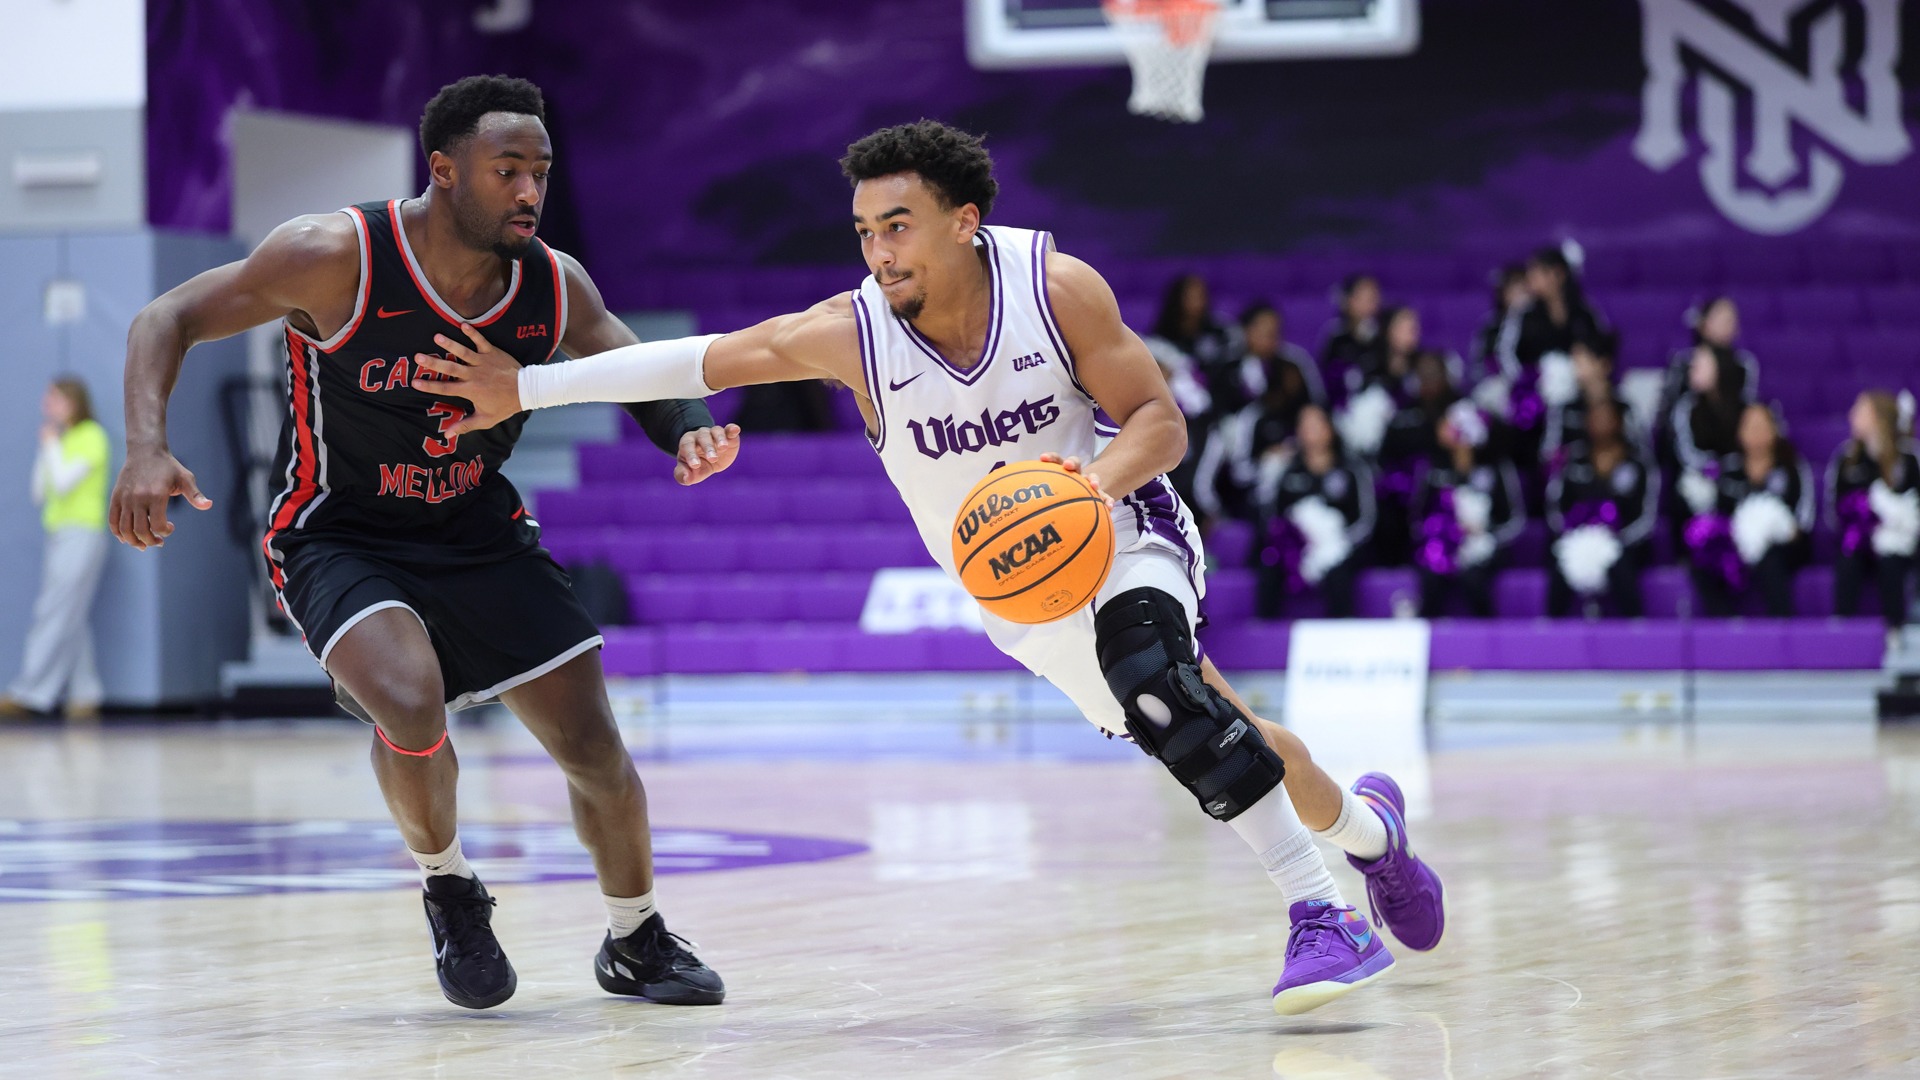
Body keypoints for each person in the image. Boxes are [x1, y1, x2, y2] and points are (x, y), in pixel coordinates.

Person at [418, 120, 1445, 1016]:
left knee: (1159, 677)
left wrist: (1091, 488)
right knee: (1228, 730)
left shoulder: (1056, 288)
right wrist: (529, 389)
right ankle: (1369, 831)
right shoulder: (851, 334)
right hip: (1022, 595)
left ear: (965, 220)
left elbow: (1159, 422)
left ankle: (1323, 915)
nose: (876, 250)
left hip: (1123, 528)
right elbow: (700, 359)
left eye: (896, 225)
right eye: (863, 230)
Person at [108, 75, 736, 1011]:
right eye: (506, 171)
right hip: (340, 531)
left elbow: (620, 356)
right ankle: (449, 884)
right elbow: (168, 316)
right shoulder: (334, 257)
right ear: (445, 172)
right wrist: (148, 448)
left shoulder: (551, 284)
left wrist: (685, 423)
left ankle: (635, 936)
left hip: (478, 527)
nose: (529, 192)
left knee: (595, 748)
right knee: (411, 700)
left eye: (541, 172)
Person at [0, 377, 113, 720]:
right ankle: (85, 695)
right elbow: (40, 492)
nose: (49, 404)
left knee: (54, 610)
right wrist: (48, 447)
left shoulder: (92, 437)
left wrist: (50, 446)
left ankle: (29, 691)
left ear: (75, 401)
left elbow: (63, 484)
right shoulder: (61, 439)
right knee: (71, 614)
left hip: (83, 533)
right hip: (59, 534)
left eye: (56, 398)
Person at [1685, 403, 1812, 617]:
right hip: (1736, 545)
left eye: (1761, 425)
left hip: (1782, 546)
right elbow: (1717, 514)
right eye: (1749, 425)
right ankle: (1725, 626)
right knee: (1703, 559)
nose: (1755, 431)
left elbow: (1802, 523)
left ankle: (1782, 625)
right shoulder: (1729, 470)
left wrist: (1776, 530)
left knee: (1771, 559)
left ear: (1774, 430)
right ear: (1739, 432)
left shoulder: (1791, 468)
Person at [1254, 404, 1376, 619]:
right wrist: (1294, 544)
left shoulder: (1352, 469)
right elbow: (1273, 516)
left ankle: (1341, 634)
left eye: (1316, 424)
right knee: (1270, 564)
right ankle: (1267, 635)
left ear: (1330, 429)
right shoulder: (1288, 469)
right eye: (1304, 424)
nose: (1309, 430)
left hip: (1341, 547)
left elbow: (1366, 520)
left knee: (1339, 573)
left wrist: (1336, 545)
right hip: (1297, 548)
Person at [1546, 397, 1658, 618]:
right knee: (1561, 563)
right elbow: (1556, 507)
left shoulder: (1636, 461)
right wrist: (1577, 537)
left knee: (1621, 565)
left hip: (1623, 544)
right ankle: (1551, 633)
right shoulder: (1573, 459)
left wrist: (1614, 540)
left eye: (1607, 417)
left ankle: (1635, 627)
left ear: (1619, 422)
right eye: (1595, 417)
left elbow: (1645, 517)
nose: (1600, 423)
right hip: (1577, 541)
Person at [1412, 403, 1526, 619]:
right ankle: (1428, 634)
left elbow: (1515, 519)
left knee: (1472, 578)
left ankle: (1487, 637)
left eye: (1453, 425)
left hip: (1484, 547)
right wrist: (1442, 532)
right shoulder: (1433, 469)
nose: (1444, 429)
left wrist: (1486, 534)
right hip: (1442, 545)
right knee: (1430, 575)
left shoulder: (1496, 468)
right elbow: (1418, 517)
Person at [1827, 391, 1918, 635]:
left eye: (1859, 410)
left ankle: (1897, 633)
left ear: (1878, 418)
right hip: (1859, 540)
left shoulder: (1908, 459)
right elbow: (1836, 509)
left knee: (1891, 562)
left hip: (1898, 542)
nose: (1851, 416)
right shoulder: (1846, 459)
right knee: (1848, 559)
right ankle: (1841, 631)